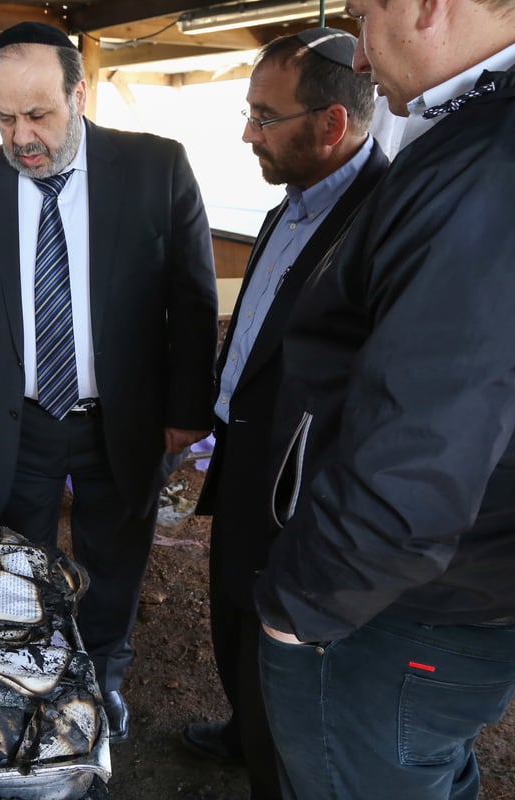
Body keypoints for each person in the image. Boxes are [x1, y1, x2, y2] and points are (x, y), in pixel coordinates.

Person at [253, 1, 515, 797]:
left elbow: (416, 458)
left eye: (361, 13)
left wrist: (298, 613)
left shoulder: (506, 158)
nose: (362, 50)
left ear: (426, 5)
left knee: (368, 769)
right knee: (423, 761)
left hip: (408, 607)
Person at [0, 21, 218, 743]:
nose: (21, 135)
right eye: (4, 116)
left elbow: (193, 298)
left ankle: (104, 671)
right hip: (17, 419)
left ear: (79, 93)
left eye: (39, 115)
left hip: (123, 416)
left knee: (114, 556)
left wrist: (187, 409)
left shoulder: (157, 168)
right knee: (18, 558)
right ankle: (28, 673)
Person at [182, 29, 385, 800]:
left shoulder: (382, 219)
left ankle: (272, 765)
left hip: (302, 484)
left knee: (281, 642)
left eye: (264, 118)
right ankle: (243, 729)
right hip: (248, 455)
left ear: (331, 125)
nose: (246, 134)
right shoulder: (295, 201)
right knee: (233, 609)